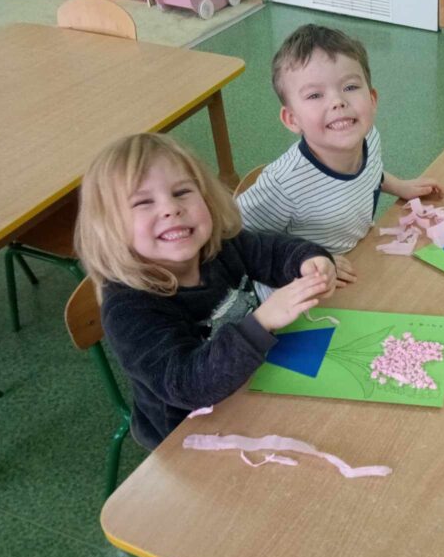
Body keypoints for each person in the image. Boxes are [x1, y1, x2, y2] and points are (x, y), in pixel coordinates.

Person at [75, 133, 337, 450]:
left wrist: (310, 260)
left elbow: (272, 252)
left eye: (182, 192)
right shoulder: (129, 308)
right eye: (144, 202)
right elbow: (187, 384)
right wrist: (261, 322)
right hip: (187, 432)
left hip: (251, 384)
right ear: (109, 226)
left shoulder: (219, 247)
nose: (171, 209)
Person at [238, 24, 443, 294]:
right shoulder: (284, 184)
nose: (337, 101)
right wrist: (309, 258)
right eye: (314, 95)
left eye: (350, 87)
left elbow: (369, 173)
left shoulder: (369, 139)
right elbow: (235, 238)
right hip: (301, 289)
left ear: (372, 99)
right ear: (292, 119)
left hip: (355, 261)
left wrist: (399, 186)